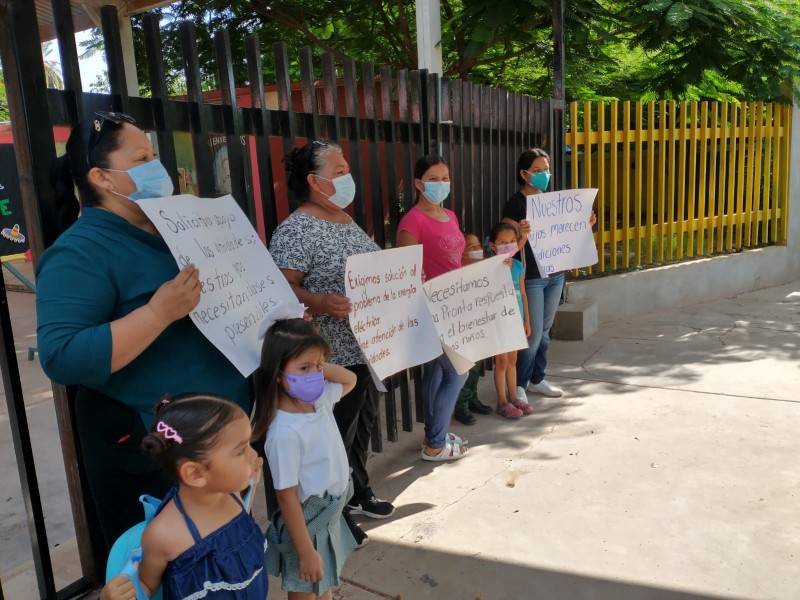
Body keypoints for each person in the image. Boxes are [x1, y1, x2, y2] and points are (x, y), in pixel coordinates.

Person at [36, 111, 251, 549]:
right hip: (154, 450)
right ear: (102, 178)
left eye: (154, 155)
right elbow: (62, 355)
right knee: (169, 567)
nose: (158, 168)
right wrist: (157, 313)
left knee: (220, 558)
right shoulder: (80, 251)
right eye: (142, 158)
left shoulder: (173, 227)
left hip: (218, 439)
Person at [269, 141, 394, 546]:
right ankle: (331, 516)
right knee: (331, 441)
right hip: (328, 356)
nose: (348, 177)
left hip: (365, 348)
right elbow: (280, 288)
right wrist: (320, 302)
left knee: (360, 428)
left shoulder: (343, 218)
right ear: (314, 181)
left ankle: (357, 492)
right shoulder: (297, 228)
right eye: (339, 171)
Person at [101, 393, 267, 600]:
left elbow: (239, 521)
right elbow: (146, 585)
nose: (254, 455)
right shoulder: (163, 535)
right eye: (241, 450)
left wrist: (251, 483)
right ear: (195, 474)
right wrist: (113, 597)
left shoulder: (231, 493)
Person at [252, 318, 358, 599]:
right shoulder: (284, 432)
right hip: (305, 524)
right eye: (303, 368)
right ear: (277, 373)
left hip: (328, 512)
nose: (314, 374)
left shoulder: (318, 399)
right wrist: (304, 551)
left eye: (319, 366)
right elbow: (286, 496)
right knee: (306, 589)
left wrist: (316, 364)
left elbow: (351, 379)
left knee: (323, 586)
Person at [502, 148, 595, 403]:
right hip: (532, 276)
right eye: (538, 170)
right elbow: (507, 247)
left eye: (546, 169)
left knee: (544, 330)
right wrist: (522, 233)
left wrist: (584, 224)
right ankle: (520, 383)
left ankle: (537, 378)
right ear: (523, 173)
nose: (545, 174)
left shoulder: (552, 203)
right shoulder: (515, 204)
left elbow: (567, 233)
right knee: (531, 334)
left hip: (556, 273)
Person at [397, 154, 472, 461]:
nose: (441, 184)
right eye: (433, 179)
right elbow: (403, 269)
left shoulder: (450, 215)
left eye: (445, 178)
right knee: (458, 371)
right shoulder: (412, 221)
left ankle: (433, 434)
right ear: (418, 184)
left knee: (436, 371)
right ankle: (436, 444)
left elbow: (456, 260)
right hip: (429, 307)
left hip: (455, 304)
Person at [487, 222, 533, 419]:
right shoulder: (490, 268)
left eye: (513, 241)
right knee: (502, 361)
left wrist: (527, 321)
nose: (508, 245)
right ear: (493, 246)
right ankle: (502, 401)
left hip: (517, 320)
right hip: (499, 322)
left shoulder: (519, 266)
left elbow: (523, 294)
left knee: (513, 359)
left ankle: (513, 397)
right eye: (502, 242)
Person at [453, 233, 493, 426]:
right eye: (471, 247)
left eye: (479, 245)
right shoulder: (455, 272)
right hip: (463, 329)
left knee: (477, 366)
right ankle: (461, 405)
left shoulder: (483, 269)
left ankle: (472, 398)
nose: (477, 250)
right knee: (465, 367)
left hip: (479, 325)